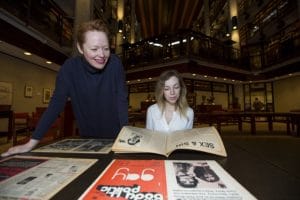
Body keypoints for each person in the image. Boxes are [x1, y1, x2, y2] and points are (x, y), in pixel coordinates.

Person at [2, 19, 128, 157]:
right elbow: (55, 106)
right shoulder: (69, 69)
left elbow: (121, 102)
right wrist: (31, 143)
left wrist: (125, 136)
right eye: (94, 49)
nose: (102, 55)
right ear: (80, 48)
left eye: (106, 48)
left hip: (117, 137)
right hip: (87, 137)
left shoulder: (115, 64)